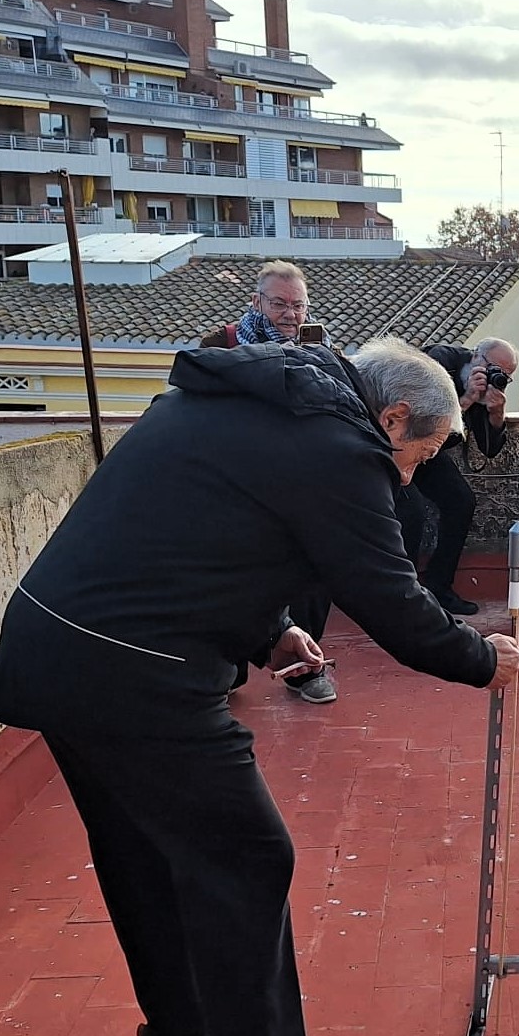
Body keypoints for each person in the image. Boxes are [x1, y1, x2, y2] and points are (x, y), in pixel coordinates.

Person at [0, 336, 519, 1036]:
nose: (409, 475)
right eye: (419, 454)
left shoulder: (244, 402)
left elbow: (195, 536)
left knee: (145, 850)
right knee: (248, 856)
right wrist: (482, 658)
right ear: (393, 416)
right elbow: (390, 598)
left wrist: (270, 631)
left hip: (58, 649)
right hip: (138, 675)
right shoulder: (339, 450)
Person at [201, 259, 337, 704]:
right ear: (257, 301)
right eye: (280, 303)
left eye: (298, 305)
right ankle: (226, 668)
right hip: (234, 479)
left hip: (297, 476)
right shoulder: (222, 343)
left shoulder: (319, 346)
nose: (290, 314)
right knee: (229, 573)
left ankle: (303, 668)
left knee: (312, 569)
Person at [401, 338, 517, 616]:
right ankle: (402, 592)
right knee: (411, 511)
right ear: (476, 356)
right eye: (493, 369)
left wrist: (496, 413)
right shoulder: (439, 361)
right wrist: (464, 400)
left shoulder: (487, 386)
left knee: (461, 501)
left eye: (504, 376)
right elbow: (419, 419)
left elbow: (489, 449)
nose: (495, 377)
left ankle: (439, 586)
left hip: (432, 452)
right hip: (402, 444)